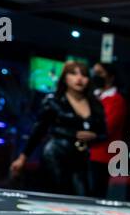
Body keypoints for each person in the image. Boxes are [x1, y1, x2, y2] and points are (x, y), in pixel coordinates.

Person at [10, 62, 107, 196]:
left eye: (84, 74)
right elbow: (39, 130)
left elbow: (104, 134)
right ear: (65, 78)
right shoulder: (53, 100)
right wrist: (22, 158)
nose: (79, 78)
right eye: (73, 73)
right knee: (57, 196)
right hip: (56, 155)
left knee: (83, 197)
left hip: (82, 158)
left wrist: (94, 136)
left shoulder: (95, 104)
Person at [89, 62, 128, 198]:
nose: (95, 76)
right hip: (86, 154)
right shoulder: (93, 96)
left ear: (111, 77)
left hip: (102, 156)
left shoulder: (117, 100)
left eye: (100, 73)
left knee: (95, 196)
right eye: (94, 72)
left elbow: (107, 127)